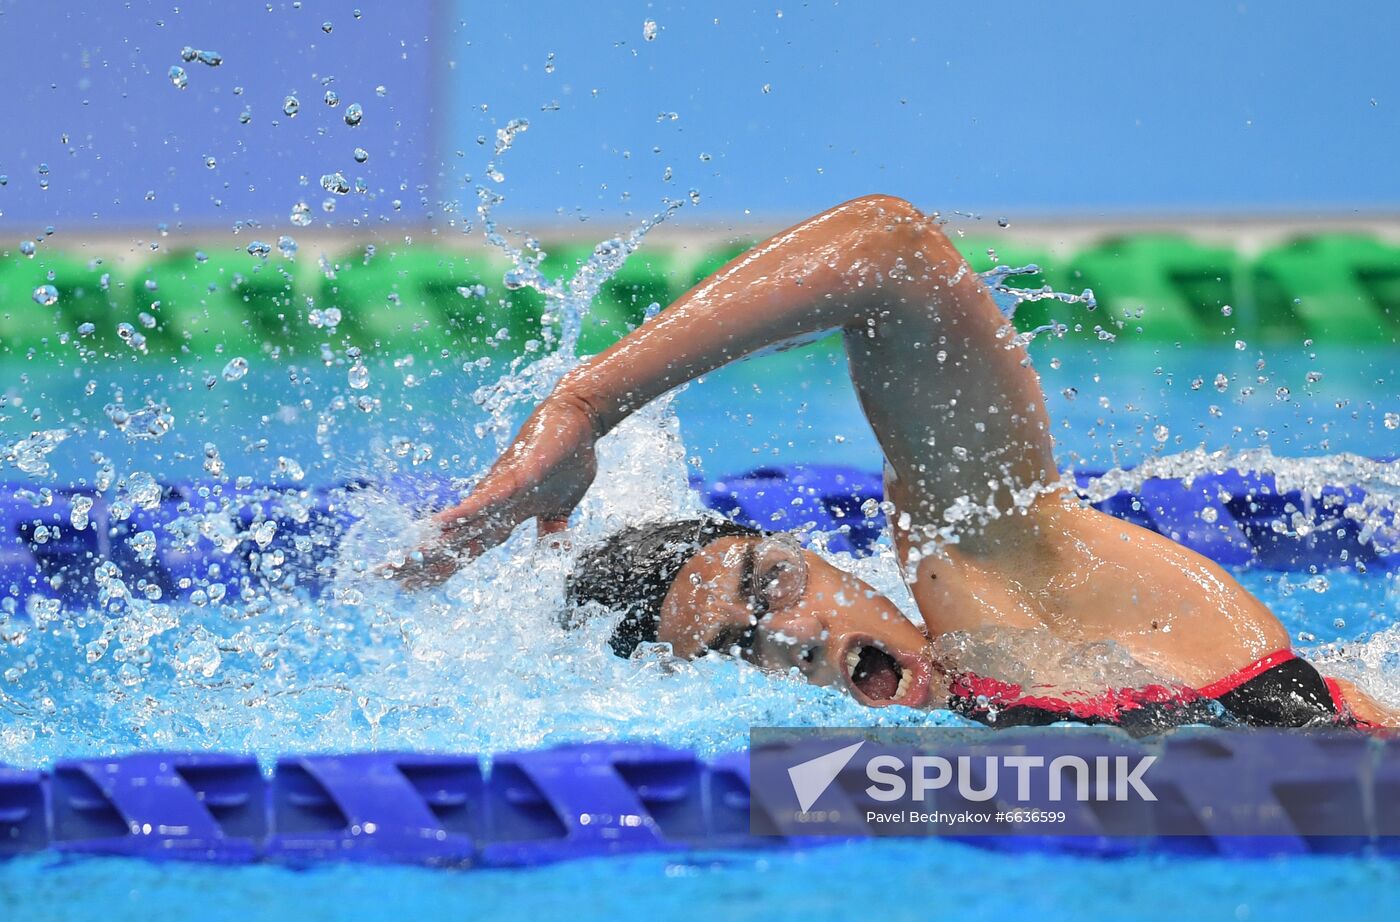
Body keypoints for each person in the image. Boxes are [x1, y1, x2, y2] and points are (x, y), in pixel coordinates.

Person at [386, 194, 1397, 732]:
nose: (793, 637)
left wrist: (583, 405)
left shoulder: (1002, 573)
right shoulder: (873, 778)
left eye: (774, 585)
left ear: (833, 568)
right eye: (742, 652)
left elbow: (889, 253)